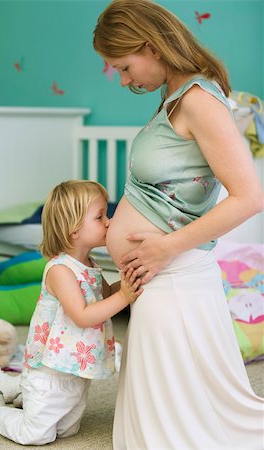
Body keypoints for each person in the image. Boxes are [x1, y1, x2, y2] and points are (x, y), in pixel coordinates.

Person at [93, 1, 264, 449]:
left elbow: (250, 197)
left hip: (173, 271)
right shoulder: (173, 94)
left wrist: (164, 247)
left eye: (125, 67)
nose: (125, 80)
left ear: (150, 46)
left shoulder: (198, 99)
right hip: (158, 280)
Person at [0, 179, 142, 446]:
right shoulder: (60, 271)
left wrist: (128, 281)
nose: (109, 222)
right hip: (49, 371)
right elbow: (83, 315)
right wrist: (126, 296)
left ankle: (27, 404)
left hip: (76, 368)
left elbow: (106, 296)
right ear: (73, 230)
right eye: (100, 216)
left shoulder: (89, 265)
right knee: (37, 435)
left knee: (67, 431)